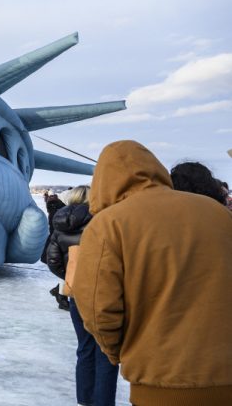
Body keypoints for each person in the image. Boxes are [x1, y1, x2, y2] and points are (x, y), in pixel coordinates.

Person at [73, 140, 232, 406]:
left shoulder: (109, 224)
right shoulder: (217, 212)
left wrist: (122, 352)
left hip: (160, 383)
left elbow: (97, 307)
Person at [45, 185, 118, 406]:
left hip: (77, 294)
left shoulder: (60, 225)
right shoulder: (102, 221)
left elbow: (53, 261)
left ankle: (85, 400)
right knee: (106, 350)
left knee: (85, 348)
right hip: (104, 292)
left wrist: (71, 277)